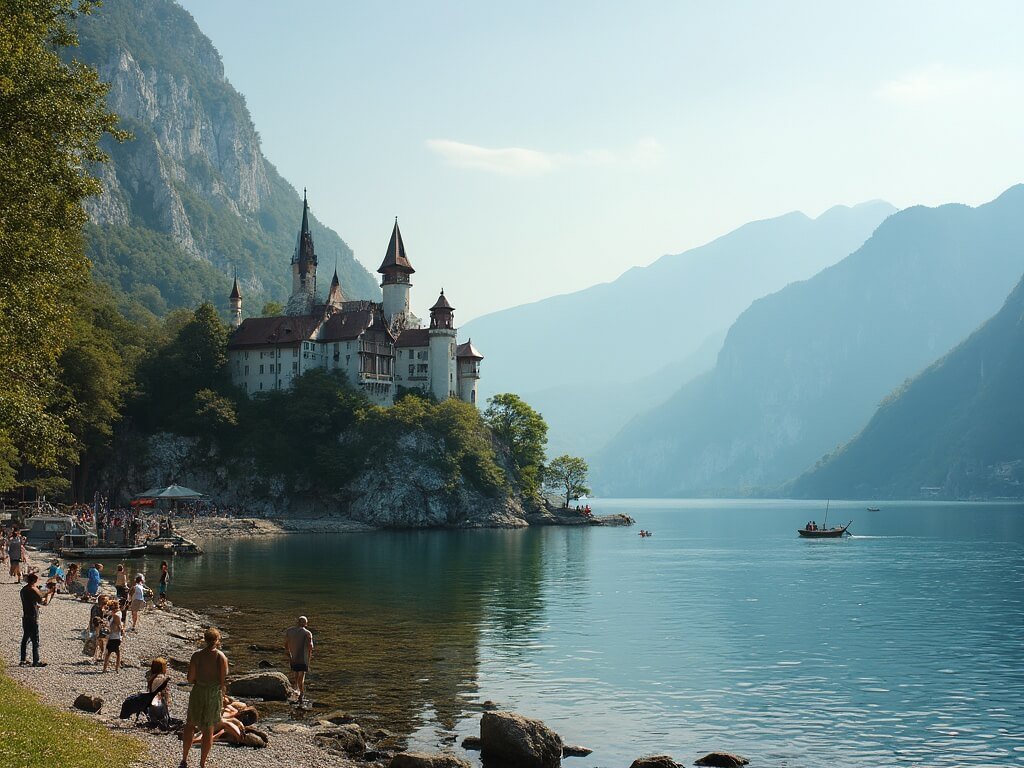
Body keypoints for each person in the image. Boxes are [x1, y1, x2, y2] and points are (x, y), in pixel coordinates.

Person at [180, 626, 229, 768]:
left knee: (190, 724)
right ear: (218, 640)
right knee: (208, 728)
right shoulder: (221, 657)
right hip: (213, 694)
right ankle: (202, 763)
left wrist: (198, 681)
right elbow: (222, 681)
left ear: (205, 639)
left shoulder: (197, 655)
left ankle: (184, 758)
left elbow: (190, 678)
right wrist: (224, 695)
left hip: (198, 691)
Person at [20, 573, 55, 667]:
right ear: (35, 580)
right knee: (35, 640)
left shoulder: (23, 589)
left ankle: (23, 659)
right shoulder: (33, 589)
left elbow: (31, 601)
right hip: (32, 617)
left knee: (25, 638)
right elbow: (42, 601)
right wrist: (50, 594)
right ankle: (36, 661)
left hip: (26, 616)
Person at [284, 616, 314, 704]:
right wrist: (309, 657)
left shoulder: (289, 631)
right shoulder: (307, 633)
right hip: (303, 657)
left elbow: (286, 644)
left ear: (297, 622)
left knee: (295, 672)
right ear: (305, 624)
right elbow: (310, 646)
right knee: (302, 675)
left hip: (293, 656)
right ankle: (301, 693)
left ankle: (295, 688)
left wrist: (289, 653)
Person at [103, 607, 124, 673]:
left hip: (111, 637)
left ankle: (104, 669)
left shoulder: (111, 617)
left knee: (108, 653)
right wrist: (122, 629)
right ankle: (116, 669)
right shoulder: (116, 616)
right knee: (117, 654)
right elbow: (119, 627)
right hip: (116, 637)